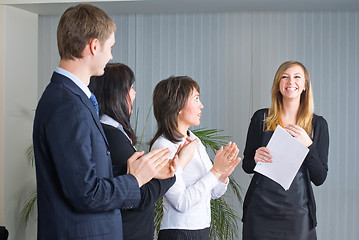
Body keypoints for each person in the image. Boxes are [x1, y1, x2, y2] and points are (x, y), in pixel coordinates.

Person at [33, 4, 171, 239]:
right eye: (110, 47)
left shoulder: (74, 97)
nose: (111, 56)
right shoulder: (66, 104)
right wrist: (135, 179)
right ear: (94, 46)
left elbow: (84, 174)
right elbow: (85, 194)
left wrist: (136, 170)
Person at [89, 63, 197, 240]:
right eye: (130, 88)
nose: (134, 94)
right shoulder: (112, 137)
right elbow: (142, 195)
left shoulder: (113, 132)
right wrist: (178, 165)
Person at [242, 61, 329, 240]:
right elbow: (247, 165)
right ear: (278, 84)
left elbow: (319, 178)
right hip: (260, 210)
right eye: (284, 77)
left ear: (305, 85)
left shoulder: (318, 125)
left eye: (297, 77)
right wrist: (255, 158)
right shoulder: (261, 118)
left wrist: (308, 145)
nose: (291, 82)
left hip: (298, 214)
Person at [150, 76, 241, 239]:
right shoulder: (163, 146)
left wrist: (222, 175)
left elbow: (213, 193)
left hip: (201, 228)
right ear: (177, 106)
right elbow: (181, 202)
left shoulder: (195, 141)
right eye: (196, 99)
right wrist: (215, 171)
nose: (201, 106)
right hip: (179, 232)